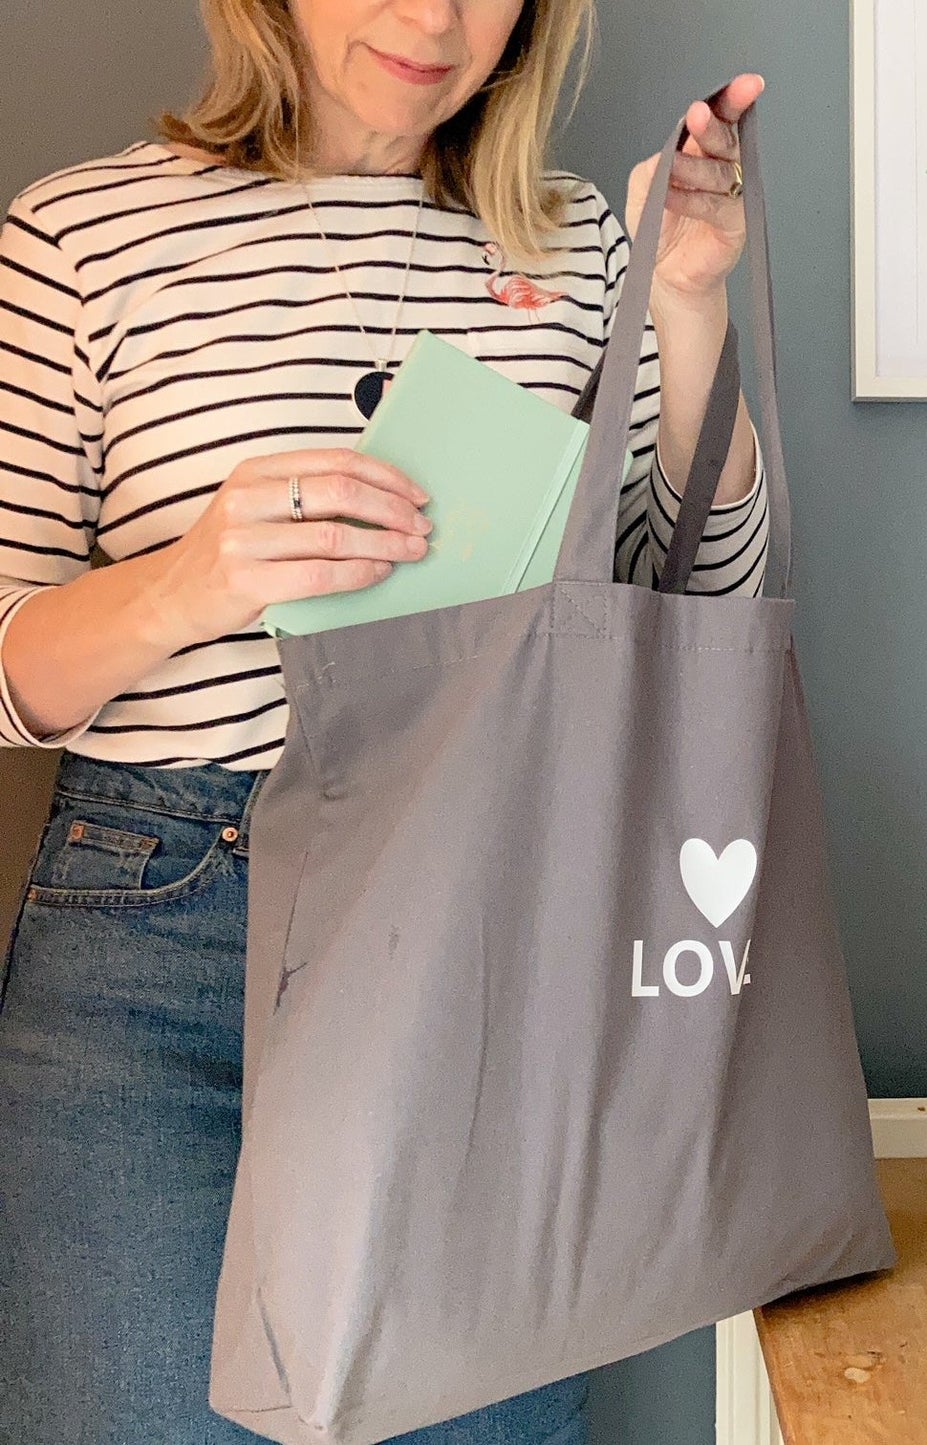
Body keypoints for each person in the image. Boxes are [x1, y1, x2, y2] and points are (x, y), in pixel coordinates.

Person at [0, 0, 770, 1436]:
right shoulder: (77, 238)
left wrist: (687, 302)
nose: (438, 15)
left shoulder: (578, 240)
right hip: (155, 950)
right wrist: (191, 579)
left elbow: (702, 602)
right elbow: (6, 668)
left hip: (478, 935)